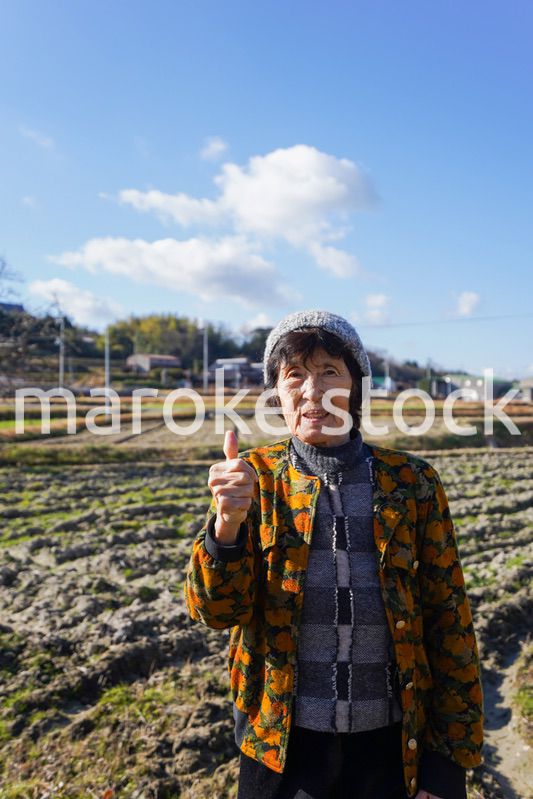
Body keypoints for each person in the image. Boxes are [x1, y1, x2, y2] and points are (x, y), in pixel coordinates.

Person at [184, 310, 483, 799]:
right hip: (281, 749)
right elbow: (215, 612)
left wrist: (446, 767)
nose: (312, 390)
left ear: (356, 387)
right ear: (277, 393)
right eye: (295, 375)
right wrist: (227, 526)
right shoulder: (252, 480)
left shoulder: (411, 483)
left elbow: (450, 623)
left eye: (329, 372)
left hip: (390, 749)